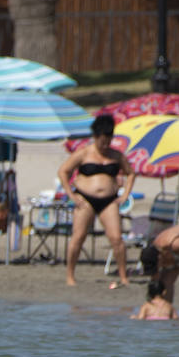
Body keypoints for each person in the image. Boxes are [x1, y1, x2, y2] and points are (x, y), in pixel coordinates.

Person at [57, 114, 136, 289]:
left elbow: (130, 173)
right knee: (78, 237)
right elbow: (63, 171)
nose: (105, 145)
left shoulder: (116, 155)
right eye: (102, 141)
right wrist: (71, 194)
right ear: (95, 137)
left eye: (108, 141)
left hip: (109, 200)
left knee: (116, 238)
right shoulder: (84, 153)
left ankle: (123, 276)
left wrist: (125, 195)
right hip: (85, 199)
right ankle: (70, 275)